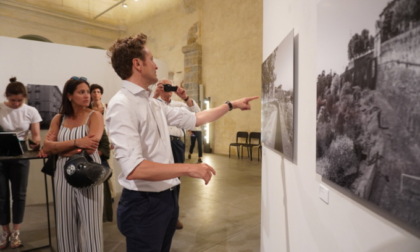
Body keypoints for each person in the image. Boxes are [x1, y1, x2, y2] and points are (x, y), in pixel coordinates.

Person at [106, 33, 257, 252]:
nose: (156, 66)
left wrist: (231, 105)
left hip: (165, 200)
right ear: (137, 64)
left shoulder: (153, 104)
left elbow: (196, 118)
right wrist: (189, 168)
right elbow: (134, 168)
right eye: (151, 59)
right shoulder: (122, 104)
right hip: (143, 204)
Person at [40, 76, 104, 252]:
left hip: (88, 173)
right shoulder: (58, 119)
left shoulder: (95, 116)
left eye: (87, 92)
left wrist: (58, 148)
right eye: (81, 92)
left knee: (91, 226)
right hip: (62, 173)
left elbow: (91, 146)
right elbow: (47, 146)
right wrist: (77, 143)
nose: (86, 96)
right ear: (69, 95)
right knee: (65, 224)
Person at [153, 79, 201, 229]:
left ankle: (173, 217)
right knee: (159, 180)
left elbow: (198, 114)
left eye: (170, 86)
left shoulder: (179, 105)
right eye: (164, 86)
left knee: (176, 181)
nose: (167, 89)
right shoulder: (153, 103)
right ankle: (159, 215)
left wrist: (185, 97)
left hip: (176, 144)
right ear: (159, 88)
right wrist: (154, 95)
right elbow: (142, 112)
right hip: (159, 143)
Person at [0, 77, 42, 249]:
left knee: (19, 194)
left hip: (21, 153)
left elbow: (36, 135)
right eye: (12, 100)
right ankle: (5, 232)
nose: (16, 103)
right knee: (1, 196)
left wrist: (35, 142)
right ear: (6, 97)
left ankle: (16, 231)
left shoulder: (31, 111)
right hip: (1, 154)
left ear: (24, 98)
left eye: (19, 100)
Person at [90, 84, 114, 222]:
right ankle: (104, 196)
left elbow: (112, 123)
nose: (96, 94)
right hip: (97, 140)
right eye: (94, 91)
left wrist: (111, 141)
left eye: (98, 91)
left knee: (109, 170)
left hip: (106, 140)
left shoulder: (107, 107)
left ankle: (109, 195)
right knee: (101, 170)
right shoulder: (89, 109)